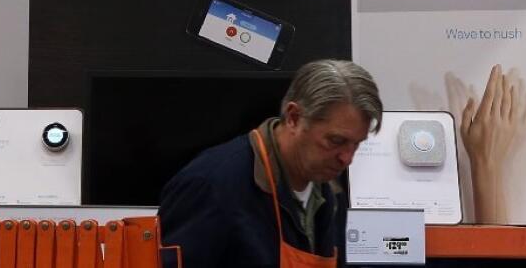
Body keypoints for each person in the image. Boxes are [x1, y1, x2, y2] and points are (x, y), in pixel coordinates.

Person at [159, 60, 382, 268]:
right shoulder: (211, 186)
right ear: (294, 117)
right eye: (336, 141)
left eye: (356, 144)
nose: (347, 158)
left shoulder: (330, 192)